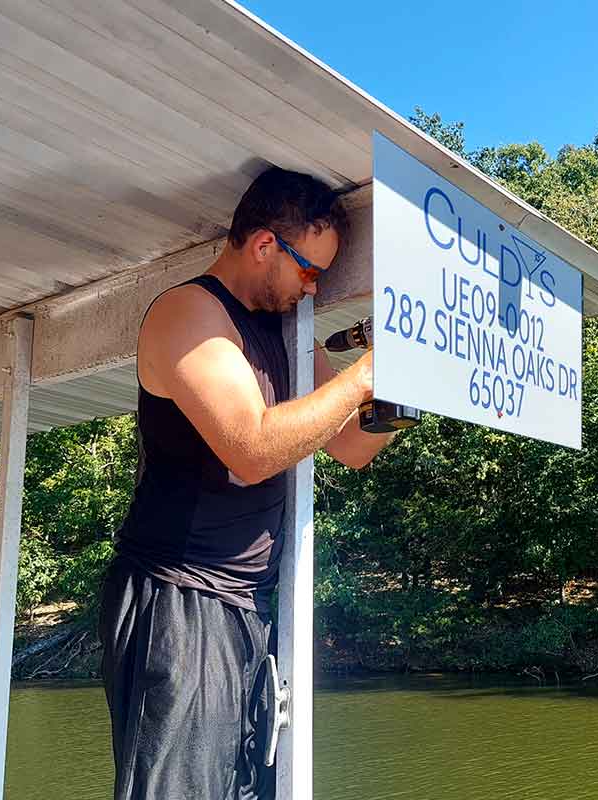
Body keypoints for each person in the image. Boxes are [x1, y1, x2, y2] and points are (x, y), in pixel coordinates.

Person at [98, 167, 394, 800]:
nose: (313, 287)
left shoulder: (288, 330)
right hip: (177, 597)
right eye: (308, 271)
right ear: (264, 245)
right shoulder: (190, 313)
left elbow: (348, 445)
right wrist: (363, 376)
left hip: (246, 604)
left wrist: (401, 394)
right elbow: (253, 449)